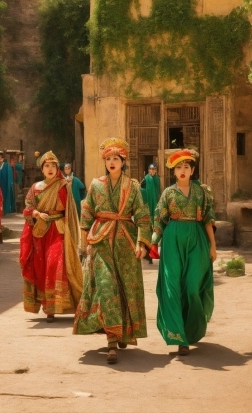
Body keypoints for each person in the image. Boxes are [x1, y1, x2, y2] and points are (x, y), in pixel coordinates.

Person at [74, 138, 152, 364]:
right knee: (106, 288)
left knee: (124, 286)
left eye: (115, 159)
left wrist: (142, 243)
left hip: (126, 242)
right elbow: (87, 214)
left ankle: (124, 332)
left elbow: (143, 216)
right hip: (101, 241)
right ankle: (111, 341)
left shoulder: (133, 186)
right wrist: (85, 242)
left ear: (123, 161)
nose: (111, 162)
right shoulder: (96, 185)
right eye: (108, 159)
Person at [151, 148, 217, 356]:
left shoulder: (201, 193)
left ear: (192, 170)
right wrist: (153, 242)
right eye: (178, 167)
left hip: (197, 239)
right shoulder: (168, 193)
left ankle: (192, 329)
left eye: (186, 167)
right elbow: (160, 219)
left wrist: (213, 246)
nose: (182, 170)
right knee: (172, 288)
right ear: (173, 171)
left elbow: (207, 219)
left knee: (191, 287)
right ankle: (180, 338)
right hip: (172, 240)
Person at [19, 150, 83, 322]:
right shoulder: (35, 188)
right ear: (42, 169)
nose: (50, 169)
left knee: (55, 264)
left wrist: (73, 232)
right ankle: (49, 309)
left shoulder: (63, 186)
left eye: (53, 166)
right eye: (47, 166)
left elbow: (70, 211)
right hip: (40, 232)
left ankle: (59, 304)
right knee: (42, 267)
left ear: (57, 168)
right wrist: (37, 213)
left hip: (59, 230)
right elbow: (27, 208)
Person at [140, 163, 161, 264]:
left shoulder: (157, 179)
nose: (153, 171)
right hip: (147, 208)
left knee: (156, 229)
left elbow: (158, 191)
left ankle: (153, 252)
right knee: (148, 229)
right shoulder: (145, 180)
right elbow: (141, 192)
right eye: (151, 169)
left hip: (156, 206)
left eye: (154, 169)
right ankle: (148, 253)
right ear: (148, 170)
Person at [0, 150, 16, 214]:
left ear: (2, 157)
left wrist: (10, 184)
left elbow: (10, 175)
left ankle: (5, 210)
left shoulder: (7, 165)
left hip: (5, 184)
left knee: (4, 196)